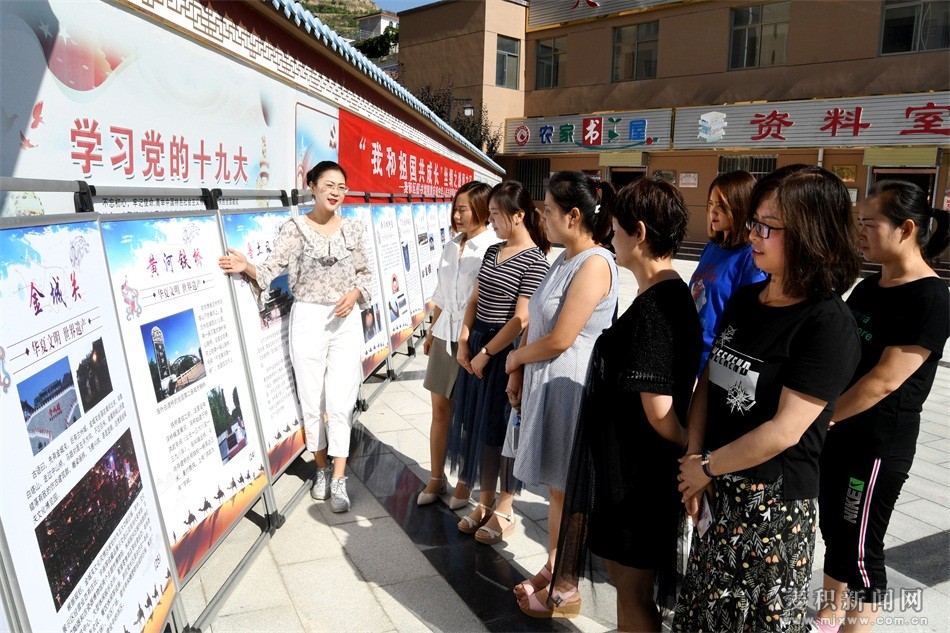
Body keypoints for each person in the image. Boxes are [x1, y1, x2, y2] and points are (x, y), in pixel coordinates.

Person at [674, 165, 863, 632]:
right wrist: (695, 459)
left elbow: (785, 430)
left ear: (811, 234)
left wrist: (706, 467)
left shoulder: (827, 323)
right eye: (754, 222)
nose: (754, 235)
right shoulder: (746, 300)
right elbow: (710, 384)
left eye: (768, 227)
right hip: (716, 488)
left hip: (771, 509)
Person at [543, 178, 701, 627]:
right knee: (629, 588)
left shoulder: (657, 309)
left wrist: (693, 448)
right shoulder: (666, 296)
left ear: (641, 232)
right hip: (634, 471)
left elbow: (660, 411)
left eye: (615, 228)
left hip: (637, 477)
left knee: (632, 592)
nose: (611, 237)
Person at [814, 180, 950, 633]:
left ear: (907, 228)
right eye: (858, 224)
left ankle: (857, 625)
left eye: (869, 224)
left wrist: (821, 418)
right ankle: (829, 617)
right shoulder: (871, 286)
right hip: (839, 432)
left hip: (875, 445)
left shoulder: (931, 298)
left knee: (860, 548)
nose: (860, 233)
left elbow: (885, 381)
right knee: (834, 530)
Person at [218, 160, 370, 513]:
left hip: (346, 320)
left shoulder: (355, 229)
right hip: (308, 318)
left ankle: (340, 478)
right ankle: (321, 468)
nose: (335, 192)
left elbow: (366, 273)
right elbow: (272, 269)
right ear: (312, 186)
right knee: (312, 398)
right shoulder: (295, 229)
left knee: (342, 399)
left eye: (341, 187)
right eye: (328, 185)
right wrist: (247, 267)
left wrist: (356, 294)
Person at [500, 173, 617, 586]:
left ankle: (563, 580)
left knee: (568, 489)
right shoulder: (564, 257)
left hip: (571, 388)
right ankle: (553, 566)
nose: (542, 216)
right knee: (556, 488)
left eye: (547, 210)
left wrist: (514, 357)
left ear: (573, 215)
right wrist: (519, 372)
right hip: (545, 382)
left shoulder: (595, 263)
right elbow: (536, 317)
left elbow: (563, 337)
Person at [446, 180, 550, 536]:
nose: (489, 221)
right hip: (478, 345)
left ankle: (504, 508)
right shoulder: (494, 251)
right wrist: (464, 340)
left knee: (503, 431)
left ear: (518, 215)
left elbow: (521, 319)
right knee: (480, 429)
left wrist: (488, 354)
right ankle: (484, 501)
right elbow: (476, 298)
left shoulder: (536, 261)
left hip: (504, 354)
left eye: (495, 214)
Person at [417, 181, 499, 506]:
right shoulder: (451, 245)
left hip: (471, 339)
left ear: (480, 209)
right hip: (444, 335)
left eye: (462, 208)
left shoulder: (492, 248)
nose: (456, 214)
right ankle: (436, 478)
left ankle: (465, 480)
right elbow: (440, 292)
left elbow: (482, 300)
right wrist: (431, 330)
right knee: (440, 410)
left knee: (467, 416)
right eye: (455, 208)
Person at [688, 170, 766, 373]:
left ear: (740, 207)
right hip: (690, 352)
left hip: (716, 363)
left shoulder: (750, 255)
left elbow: (751, 318)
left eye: (721, 206)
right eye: (711, 203)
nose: (712, 212)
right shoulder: (712, 247)